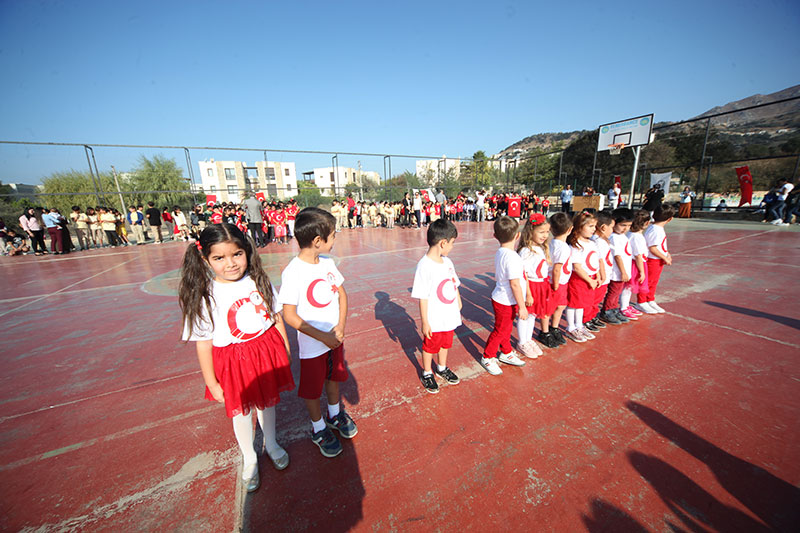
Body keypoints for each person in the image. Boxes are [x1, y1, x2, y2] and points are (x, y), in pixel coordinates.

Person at [179, 223, 294, 492]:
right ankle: (250, 456)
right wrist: (212, 382)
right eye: (219, 258)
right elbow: (203, 343)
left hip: (265, 353)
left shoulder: (258, 280)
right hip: (233, 361)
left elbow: (276, 318)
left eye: (237, 254)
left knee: (268, 404)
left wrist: (285, 351)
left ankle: (272, 444)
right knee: (241, 411)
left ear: (247, 252)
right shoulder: (205, 295)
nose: (230, 263)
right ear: (205, 259)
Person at [278, 207, 357, 458]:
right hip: (314, 345)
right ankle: (318, 428)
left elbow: (342, 295)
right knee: (312, 389)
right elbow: (289, 315)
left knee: (333, 378)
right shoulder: (293, 272)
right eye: (333, 236)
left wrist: (340, 327)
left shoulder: (327, 263)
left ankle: (335, 415)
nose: (335, 241)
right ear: (317, 241)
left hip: (335, 339)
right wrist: (323, 337)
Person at [411, 219, 462, 393]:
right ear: (443, 243)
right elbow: (423, 296)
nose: (452, 247)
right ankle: (427, 372)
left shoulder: (447, 262)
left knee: (446, 343)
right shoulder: (424, 266)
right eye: (452, 243)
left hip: (448, 315)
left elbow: (453, 283)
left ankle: (441, 367)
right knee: (430, 346)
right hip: (434, 317)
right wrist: (425, 321)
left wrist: (458, 300)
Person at [481, 216, 528, 375]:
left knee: (506, 329)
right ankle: (488, 356)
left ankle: (506, 352)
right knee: (500, 330)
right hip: (505, 301)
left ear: (495, 236)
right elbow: (515, 284)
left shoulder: (501, 252)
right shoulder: (513, 257)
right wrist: (522, 306)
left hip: (505, 299)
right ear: (517, 235)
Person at [563, 212, 600, 343]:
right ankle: (571, 327)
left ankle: (579, 325)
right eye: (590, 226)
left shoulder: (592, 242)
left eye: (594, 226)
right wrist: (590, 280)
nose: (594, 229)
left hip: (590, 278)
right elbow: (577, 267)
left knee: (581, 304)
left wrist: (598, 276)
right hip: (579, 279)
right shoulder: (576, 244)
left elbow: (596, 261)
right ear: (579, 227)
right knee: (574, 304)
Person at [516, 214, 550, 354]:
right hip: (530, 287)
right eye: (541, 232)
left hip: (541, 285)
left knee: (533, 315)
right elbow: (523, 274)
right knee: (526, 315)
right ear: (531, 231)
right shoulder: (526, 251)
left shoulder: (540, 248)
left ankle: (528, 339)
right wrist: (528, 293)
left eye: (547, 232)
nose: (545, 235)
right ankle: (522, 342)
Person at [640, 205, 674, 313]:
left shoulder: (658, 228)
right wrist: (665, 257)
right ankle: (641, 302)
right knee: (648, 281)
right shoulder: (655, 230)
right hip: (652, 259)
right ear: (670, 219)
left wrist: (667, 254)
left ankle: (650, 299)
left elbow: (660, 245)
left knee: (654, 281)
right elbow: (652, 248)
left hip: (658, 259)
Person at [546, 213, 572, 346]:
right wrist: (556, 284)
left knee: (560, 306)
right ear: (570, 229)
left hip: (558, 281)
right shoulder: (563, 247)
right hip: (558, 282)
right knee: (556, 306)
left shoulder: (552, 243)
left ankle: (553, 328)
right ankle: (550, 329)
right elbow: (557, 268)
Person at [604, 208, 634, 323]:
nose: (625, 228)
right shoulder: (614, 237)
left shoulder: (622, 236)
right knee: (614, 291)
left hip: (622, 270)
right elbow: (617, 256)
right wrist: (623, 271)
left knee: (617, 291)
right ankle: (607, 310)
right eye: (623, 225)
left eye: (628, 225)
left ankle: (613, 309)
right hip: (617, 272)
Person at [590, 212, 618, 327]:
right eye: (611, 227)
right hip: (601, 276)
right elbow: (600, 260)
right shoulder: (598, 242)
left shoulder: (602, 240)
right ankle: (588, 318)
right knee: (594, 299)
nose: (612, 230)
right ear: (603, 227)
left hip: (604, 275)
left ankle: (592, 316)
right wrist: (602, 275)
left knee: (597, 299)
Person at [626, 210, 651, 316]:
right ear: (646, 223)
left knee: (628, 288)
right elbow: (638, 256)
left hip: (634, 263)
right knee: (628, 287)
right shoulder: (637, 237)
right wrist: (642, 271)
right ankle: (624, 307)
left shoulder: (630, 234)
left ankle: (625, 305)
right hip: (635, 264)